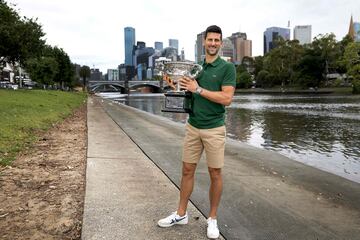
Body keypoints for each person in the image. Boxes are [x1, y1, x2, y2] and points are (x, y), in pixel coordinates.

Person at [157, 25, 236, 239]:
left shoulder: (227, 68)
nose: (212, 43)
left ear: (220, 43)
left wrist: (198, 89)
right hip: (193, 126)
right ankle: (181, 214)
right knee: (186, 170)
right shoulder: (194, 67)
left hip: (214, 128)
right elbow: (185, 92)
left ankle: (212, 219)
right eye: (209, 40)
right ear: (204, 42)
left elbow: (227, 99)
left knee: (215, 173)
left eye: (216, 40)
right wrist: (173, 84)